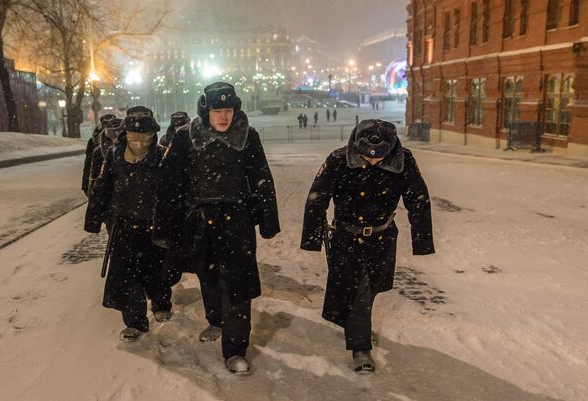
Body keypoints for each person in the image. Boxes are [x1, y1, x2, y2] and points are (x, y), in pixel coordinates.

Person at [155, 82, 280, 374]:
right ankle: (216, 320)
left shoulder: (248, 137)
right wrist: (164, 226)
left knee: (238, 286)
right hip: (199, 221)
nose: (224, 117)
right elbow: (169, 185)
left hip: (236, 221)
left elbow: (262, 178)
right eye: (217, 110)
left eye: (229, 110)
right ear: (206, 111)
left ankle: (236, 350)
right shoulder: (186, 137)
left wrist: (267, 221)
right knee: (208, 276)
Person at [300, 119, 435, 374]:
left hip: (383, 238)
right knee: (357, 289)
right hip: (346, 238)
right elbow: (316, 198)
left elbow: (418, 199)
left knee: (371, 287)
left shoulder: (403, 160)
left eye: (379, 158)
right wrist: (312, 239)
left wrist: (423, 240)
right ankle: (360, 348)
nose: (372, 162)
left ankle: (353, 323)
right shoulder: (339, 159)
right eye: (366, 157)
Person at [84, 106, 173, 343]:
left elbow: (173, 192)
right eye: (135, 139)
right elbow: (102, 188)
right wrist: (94, 219)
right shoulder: (114, 156)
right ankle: (134, 321)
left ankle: (161, 302)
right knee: (126, 275)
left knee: (157, 270)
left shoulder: (163, 156)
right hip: (124, 225)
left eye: (146, 139)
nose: (141, 144)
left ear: (153, 137)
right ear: (126, 136)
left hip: (154, 225)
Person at [82, 114, 116, 196]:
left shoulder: (119, 138)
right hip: (99, 179)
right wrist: (86, 184)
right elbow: (89, 163)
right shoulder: (94, 142)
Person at [87, 117, 123, 197]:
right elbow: (93, 174)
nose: (115, 139)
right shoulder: (99, 151)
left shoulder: (129, 150)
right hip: (105, 194)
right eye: (113, 135)